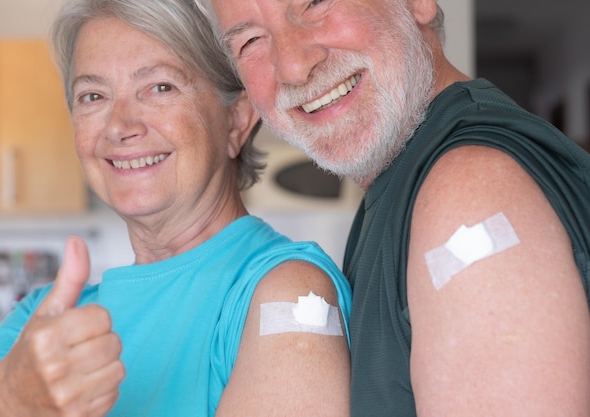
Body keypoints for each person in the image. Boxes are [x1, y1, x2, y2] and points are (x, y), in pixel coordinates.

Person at [193, 0, 590, 415]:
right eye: (251, 41)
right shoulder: (403, 190)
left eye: (315, 3)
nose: (293, 65)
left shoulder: (467, 198)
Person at [0, 0, 353, 416]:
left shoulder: (290, 294)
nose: (120, 125)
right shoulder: (43, 320)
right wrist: (7, 397)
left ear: (236, 121)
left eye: (160, 87)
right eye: (93, 96)